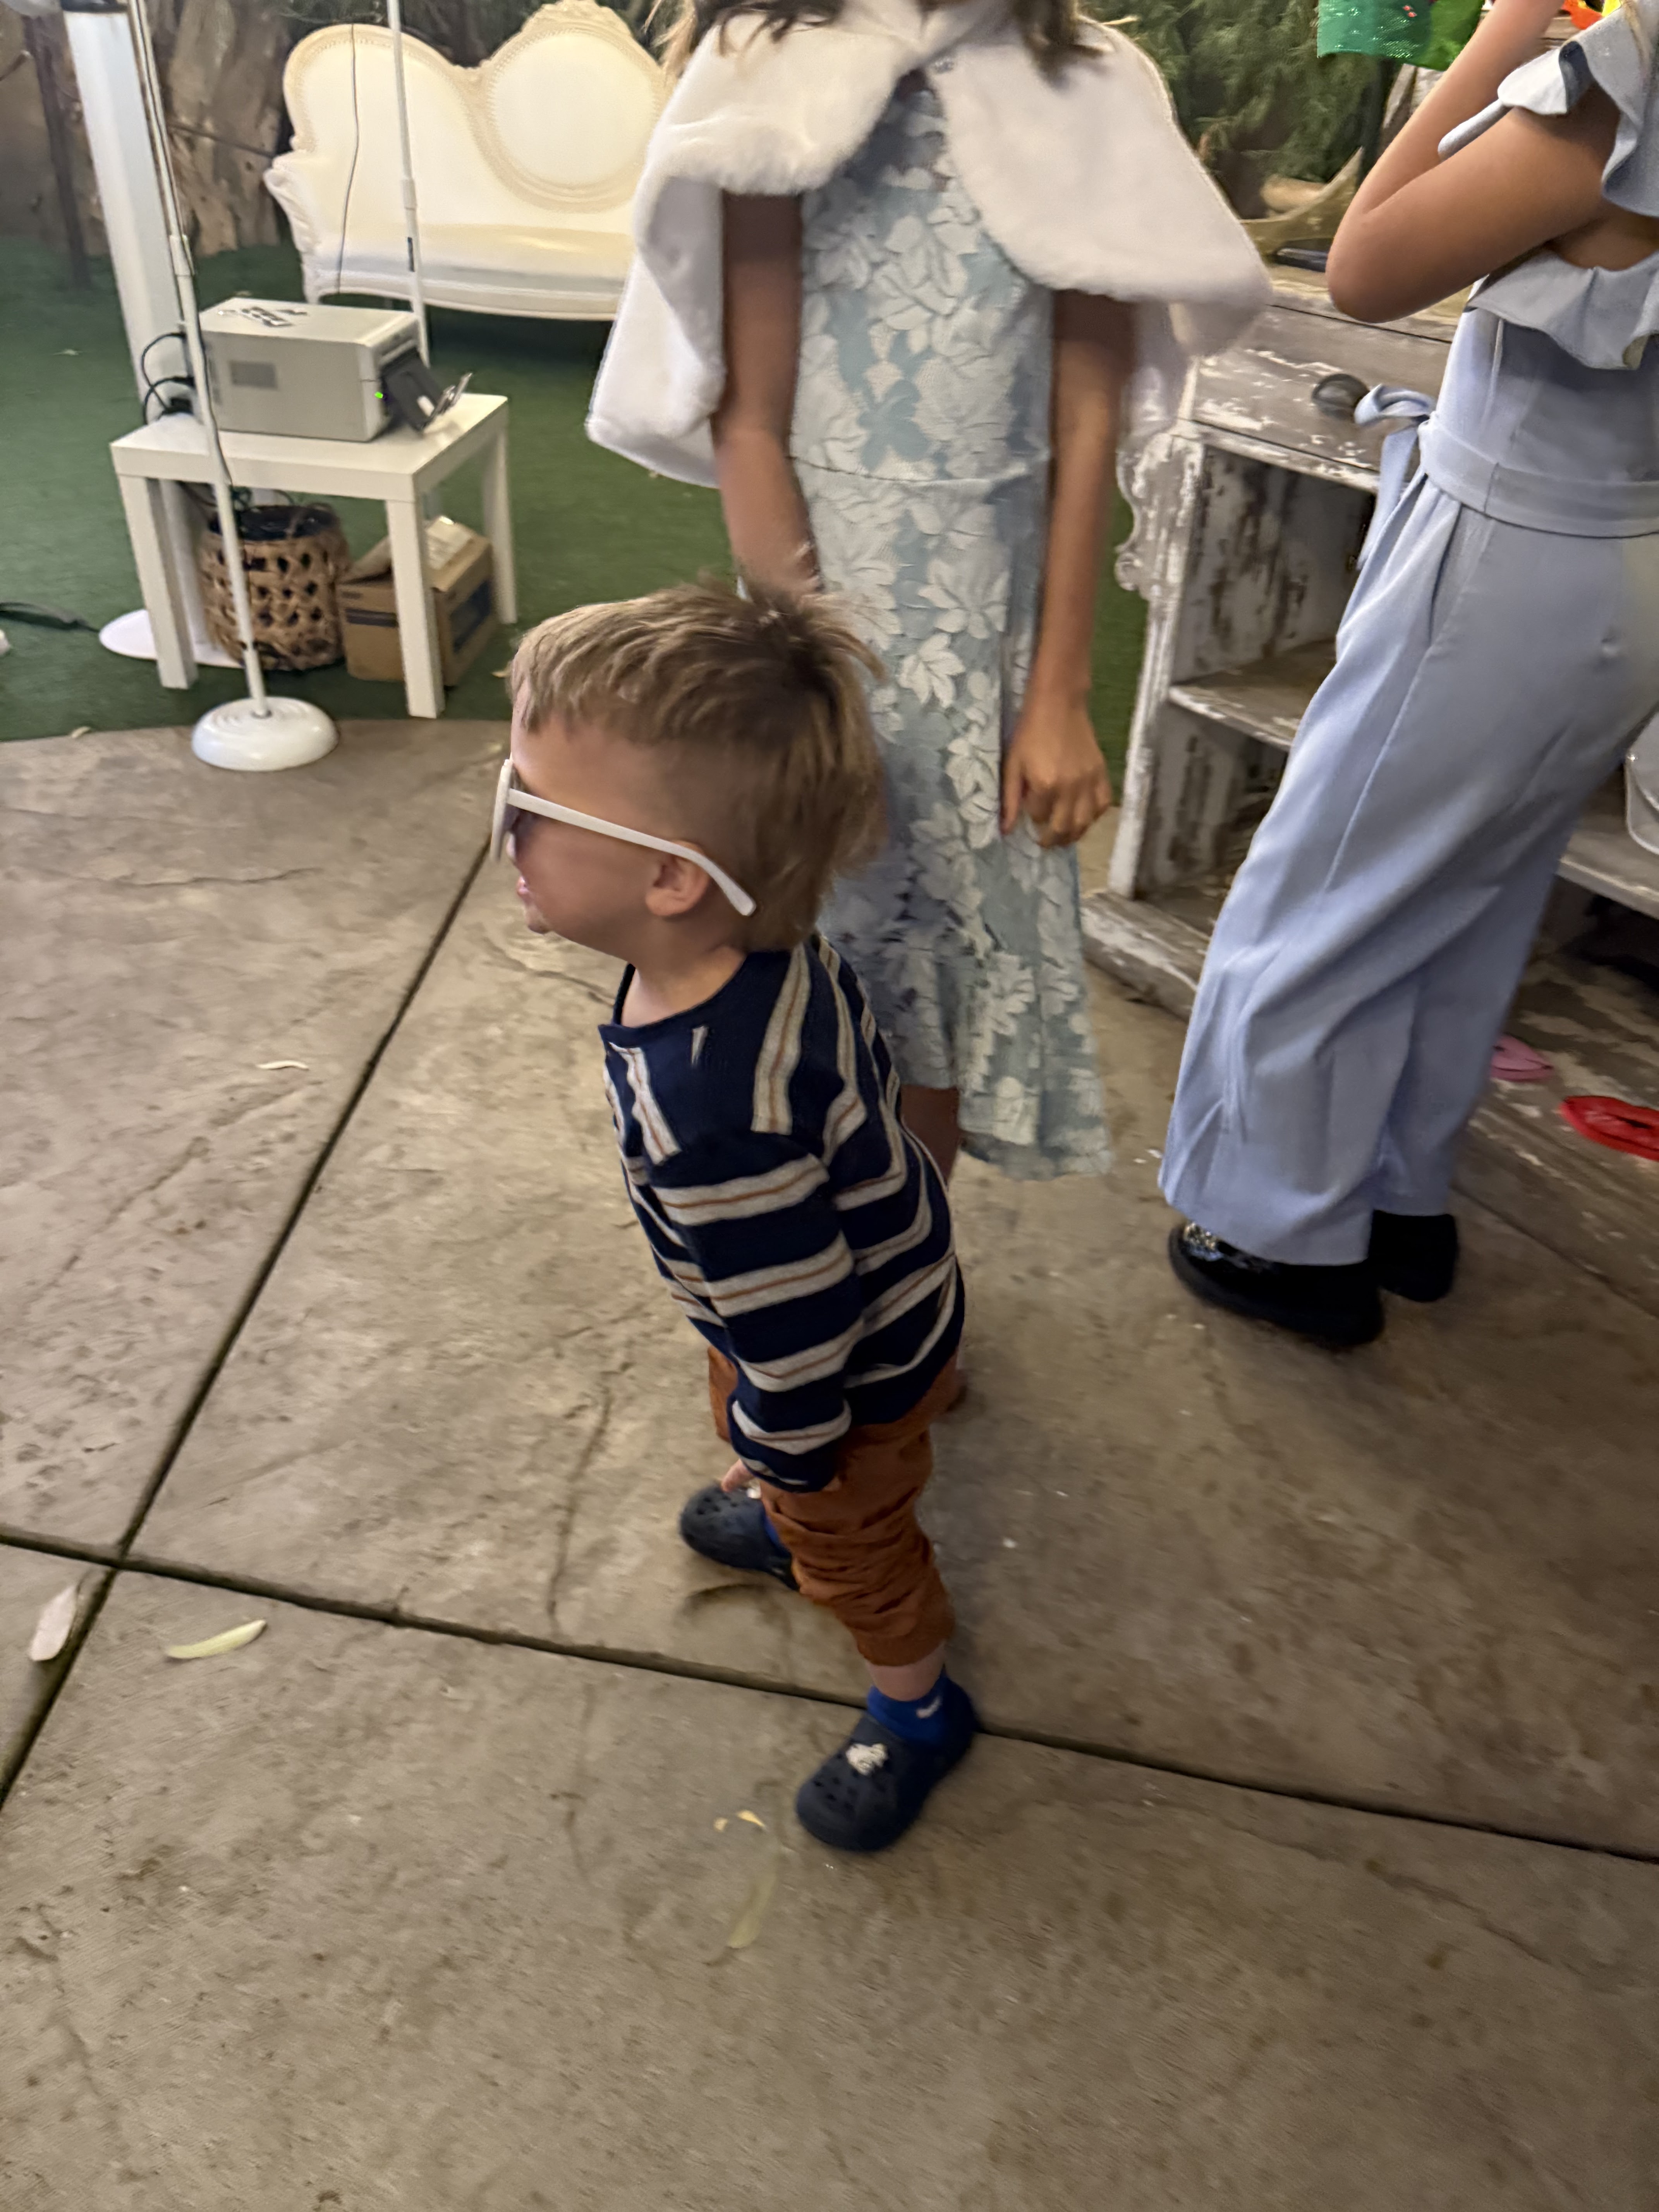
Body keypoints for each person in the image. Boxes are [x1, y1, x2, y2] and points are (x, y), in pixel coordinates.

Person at [587, 0, 1268, 1183]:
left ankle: (908, 1256)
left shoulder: (1083, 81)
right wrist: (812, 698)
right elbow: (751, 424)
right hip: (817, 630)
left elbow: (1086, 418)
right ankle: (783, 1250)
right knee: (795, 975)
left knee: (935, 1000)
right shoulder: (774, 70)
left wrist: (1055, 698)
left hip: (987, 649)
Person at [1162, 0, 1659, 1346]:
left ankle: (1278, 1235)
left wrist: (1502, 31)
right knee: (1469, 896)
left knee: (1324, 889)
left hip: (1509, 549)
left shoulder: (1623, 77)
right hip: (1621, 555)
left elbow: (1369, 265)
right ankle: (1394, 1197)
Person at [498, 577, 975, 1853]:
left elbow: (801, 1331)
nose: (505, 830)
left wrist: (789, 1455)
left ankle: (915, 1706)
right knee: (767, 1400)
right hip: (890, 1285)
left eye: (528, 808)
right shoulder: (773, 944)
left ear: (667, 879)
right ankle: (794, 1478)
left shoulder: (714, 1119)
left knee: (854, 1547)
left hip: (847, 1373)